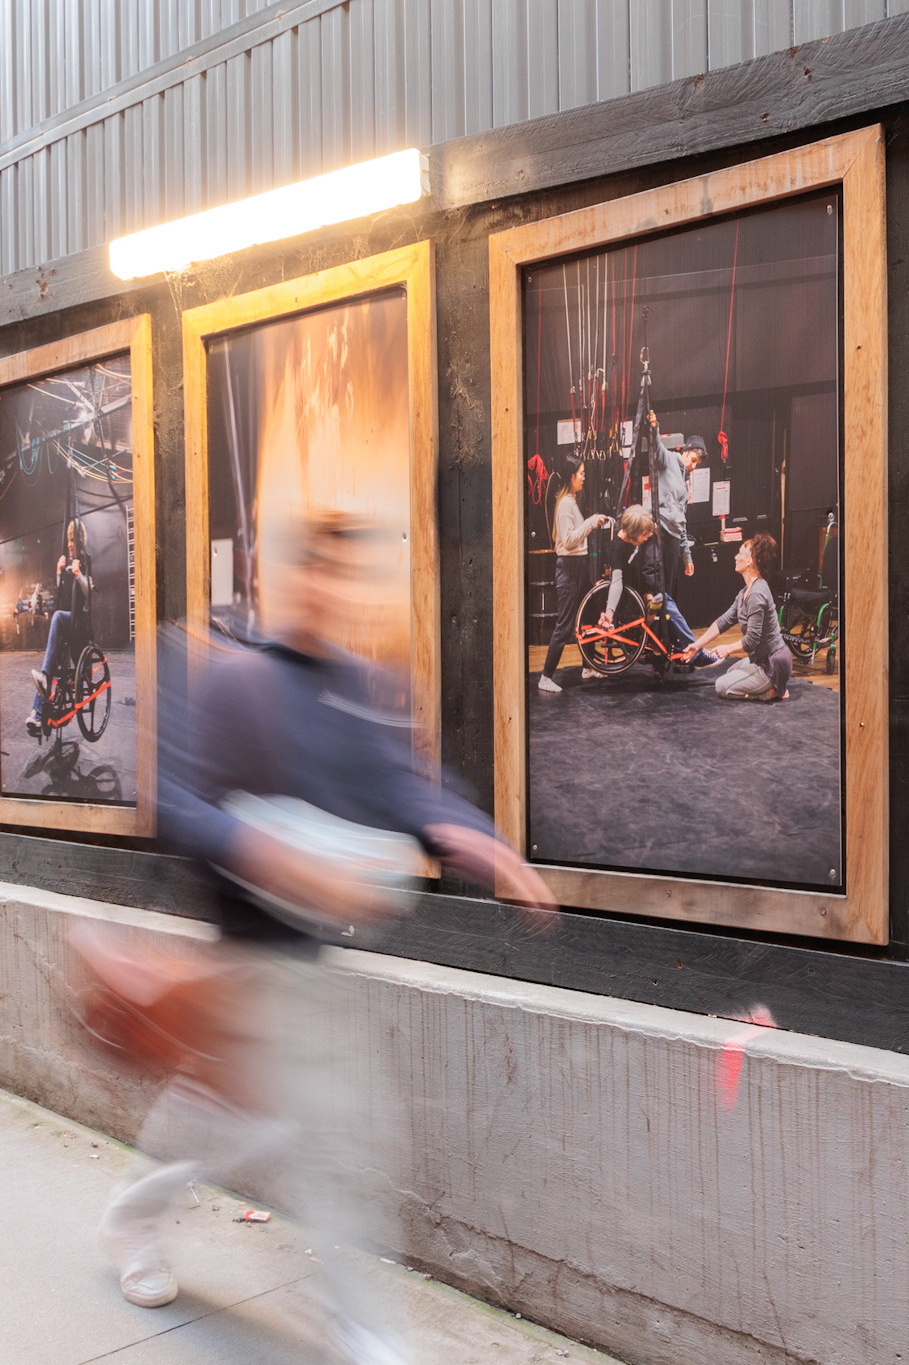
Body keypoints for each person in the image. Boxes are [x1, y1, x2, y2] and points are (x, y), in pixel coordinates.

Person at [100, 511, 555, 1365]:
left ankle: (151, 1225)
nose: (330, 590)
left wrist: (467, 832)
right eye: (316, 571)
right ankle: (363, 1331)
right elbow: (180, 805)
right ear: (278, 581)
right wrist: (267, 853)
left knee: (267, 1128)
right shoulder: (234, 683)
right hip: (242, 958)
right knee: (311, 1136)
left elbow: (405, 788)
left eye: (345, 575)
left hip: (306, 965)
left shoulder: (359, 688)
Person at [537, 457, 610, 695]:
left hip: (578, 568)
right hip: (568, 570)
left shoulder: (571, 502)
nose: (584, 477)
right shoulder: (566, 505)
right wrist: (590, 522)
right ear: (571, 476)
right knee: (565, 625)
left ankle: (588, 666)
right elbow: (568, 541)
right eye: (581, 473)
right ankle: (546, 676)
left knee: (587, 616)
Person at [691, 533, 793, 701]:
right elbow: (724, 621)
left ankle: (771, 691)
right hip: (761, 660)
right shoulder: (744, 592)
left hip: (772, 663)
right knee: (731, 672)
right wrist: (697, 645)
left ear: (748, 562)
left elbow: (752, 640)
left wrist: (726, 649)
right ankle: (773, 684)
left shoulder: (757, 593)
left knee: (722, 687)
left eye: (739, 554)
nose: (735, 556)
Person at [28, 519, 92, 737]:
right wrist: (59, 573)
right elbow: (61, 595)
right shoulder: (67, 564)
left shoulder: (85, 561)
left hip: (79, 623)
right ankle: (37, 714)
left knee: (56, 617)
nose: (70, 544)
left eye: (73, 540)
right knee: (49, 663)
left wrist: (78, 575)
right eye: (68, 540)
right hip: (65, 620)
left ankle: (43, 692)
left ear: (81, 541)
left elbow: (89, 591)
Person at [596, 504, 677, 674]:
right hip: (627, 590)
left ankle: (651, 606)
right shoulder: (616, 549)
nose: (646, 537)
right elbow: (616, 582)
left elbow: (649, 527)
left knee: (654, 591)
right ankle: (649, 614)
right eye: (643, 535)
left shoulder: (636, 532)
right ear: (633, 534)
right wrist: (609, 613)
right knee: (654, 598)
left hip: (639, 579)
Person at [649, 431, 707, 652]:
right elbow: (656, 447)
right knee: (657, 592)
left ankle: (667, 642)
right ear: (686, 451)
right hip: (659, 532)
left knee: (668, 593)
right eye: (693, 460)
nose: (694, 466)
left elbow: (682, 521)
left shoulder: (684, 482)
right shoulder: (669, 461)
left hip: (673, 538)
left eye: (697, 464)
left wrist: (687, 555)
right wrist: (654, 426)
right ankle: (657, 641)